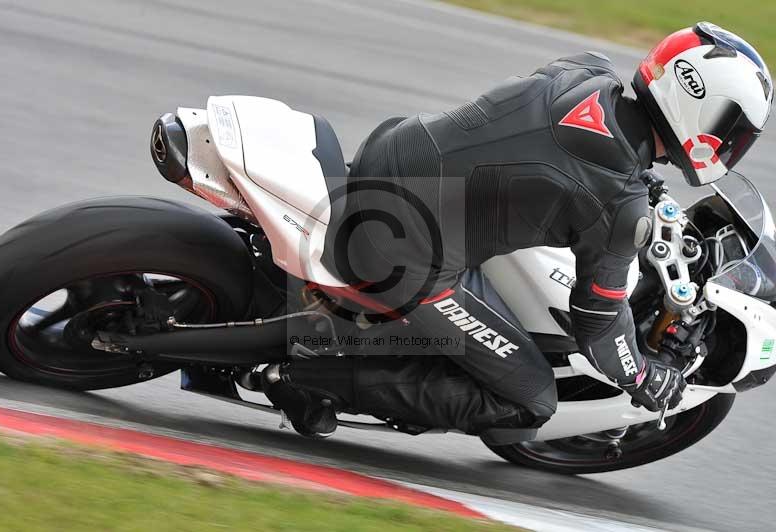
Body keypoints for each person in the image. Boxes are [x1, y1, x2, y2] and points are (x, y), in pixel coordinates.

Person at [264, 22, 773, 438]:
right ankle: (304, 379)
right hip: (402, 253)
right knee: (530, 397)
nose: (733, 145)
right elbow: (598, 326)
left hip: (393, 149)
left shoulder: (586, 70)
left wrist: (646, 187)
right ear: (707, 120)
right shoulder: (620, 209)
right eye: (735, 132)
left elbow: (550, 148)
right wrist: (641, 374)